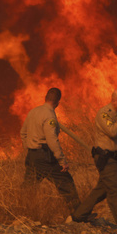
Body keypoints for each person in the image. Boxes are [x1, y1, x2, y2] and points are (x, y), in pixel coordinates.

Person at [72, 89, 117, 234]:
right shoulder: (104, 113)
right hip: (106, 158)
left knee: (102, 189)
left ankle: (79, 214)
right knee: (116, 190)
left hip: (116, 160)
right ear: (114, 100)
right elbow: (112, 132)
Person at [20, 87, 81, 215]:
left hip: (32, 156)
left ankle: (22, 213)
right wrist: (62, 161)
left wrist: (30, 147)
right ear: (58, 102)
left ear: (45, 98)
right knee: (66, 182)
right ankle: (79, 214)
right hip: (45, 156)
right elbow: (52, 140)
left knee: (29, 186)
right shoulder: (49, 115)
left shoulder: (33, 112)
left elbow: (23, 133)